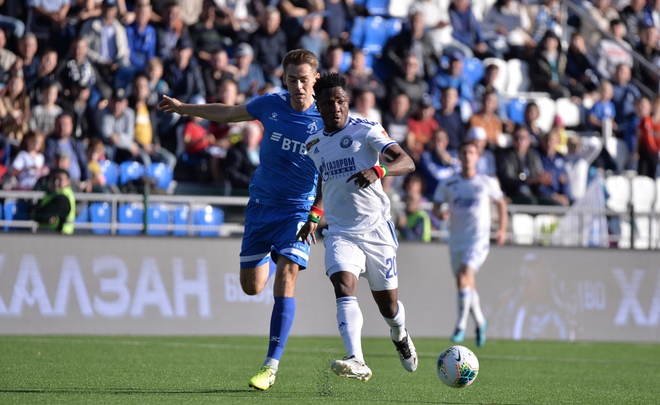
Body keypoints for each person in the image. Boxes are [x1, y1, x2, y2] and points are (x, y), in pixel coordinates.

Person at [158, 49, 324, 391]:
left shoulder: (326, 120)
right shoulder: (270, 105)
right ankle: (273, 254)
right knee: (252, 287)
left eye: (304, 80)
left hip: (297, 211)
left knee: (287, 274)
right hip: (261, 207)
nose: (298, 86)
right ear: (284, 79)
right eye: (292, 79)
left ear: (316, 79)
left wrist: (317, 212)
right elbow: (230, 112)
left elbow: (333, 170)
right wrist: (185, 108)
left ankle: (271, 365)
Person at [297, 73, 418, 382]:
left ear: (347, 101)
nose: (335, 107)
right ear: (319, 106)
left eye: (340, 101)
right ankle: (357, 358)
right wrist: (314, 215)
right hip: (340, 231)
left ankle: (400, 333)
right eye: (328, 103)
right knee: (343, 283)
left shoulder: (367, 130)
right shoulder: (314, 144)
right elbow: (327, 182)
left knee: (389, 307)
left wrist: (380, 169)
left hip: (376, 230)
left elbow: (407, 162)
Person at [433, 139, 508, 347]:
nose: (467, 156)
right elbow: (437, 205)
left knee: (465, 275)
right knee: (465, 283)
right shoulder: (448, 183)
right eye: (464, 152)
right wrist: (440, 213)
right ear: (459, 156)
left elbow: (501, 203)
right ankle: (481, 322)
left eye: (471, 153)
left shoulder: (486, 182)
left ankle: (460, 326)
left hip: (478, 239)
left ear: (477, 157)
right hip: (457, 239)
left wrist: (502, 229)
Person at [31, 168, 76, 235]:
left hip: (59, 234)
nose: (56, 182)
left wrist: (38, 215)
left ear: (68, 181)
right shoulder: (53, 193)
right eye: (54, 179)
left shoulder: (63, 197)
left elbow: (40, 215)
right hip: (51, 233)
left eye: (60, 179)